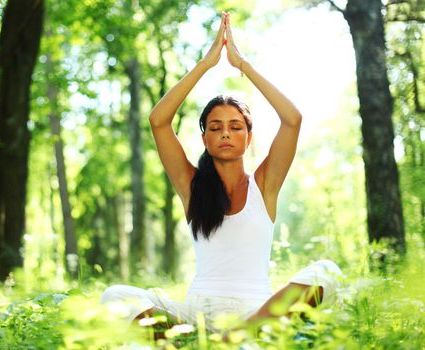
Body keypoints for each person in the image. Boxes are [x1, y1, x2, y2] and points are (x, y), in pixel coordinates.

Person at [100, 12, 342, 335]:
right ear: (205, 138)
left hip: (255, 314)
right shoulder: (192, 187)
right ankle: (209, 342)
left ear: (248, 136)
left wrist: (243, 65)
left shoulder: (264, 186)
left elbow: (292, 119)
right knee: (114, 296)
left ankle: (232, 341)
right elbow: (158, 120)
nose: (225, 133)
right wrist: (206, 63)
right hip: (196, 315)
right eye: (216, 127)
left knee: (327, 272)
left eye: (235, 126)